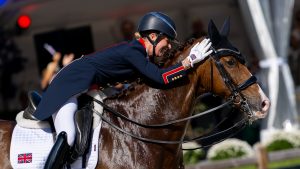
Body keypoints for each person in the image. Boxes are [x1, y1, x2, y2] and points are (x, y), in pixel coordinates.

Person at [31, 11, 213, 168]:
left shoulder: (139, 54)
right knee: (69, 135)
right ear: (153, 36)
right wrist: (188, 62)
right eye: (167, 39)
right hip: (70, 85)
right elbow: (160, 77)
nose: (169, 45)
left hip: (85, 87)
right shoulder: (134, 51)